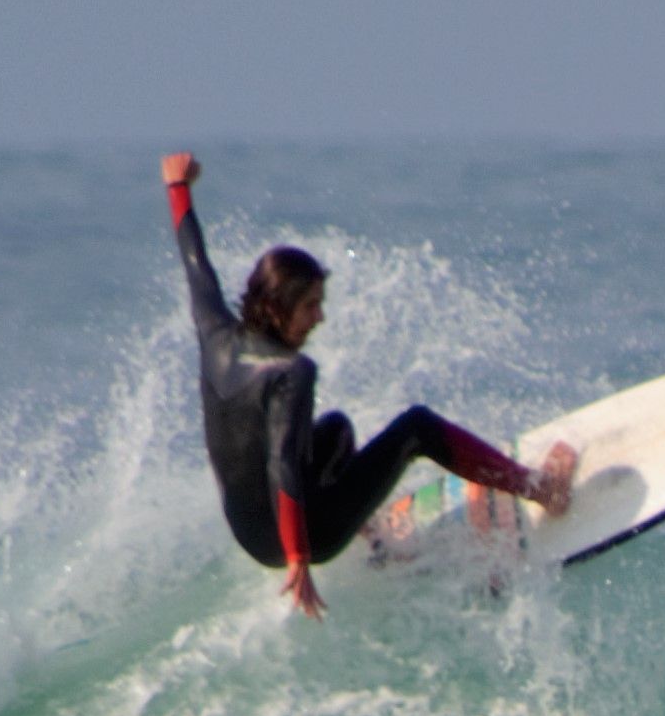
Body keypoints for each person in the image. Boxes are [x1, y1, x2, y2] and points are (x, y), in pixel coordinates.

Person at [162, 152, 574, 618]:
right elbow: (283, 466)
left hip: (249, 533)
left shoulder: (216, 335)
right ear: (277, 308)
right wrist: (300, 559)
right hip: (303, 538)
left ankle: (372, 535)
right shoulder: (291, 374)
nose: (320, 317)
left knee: (335, 431)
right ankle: (542, 489)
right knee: (417, 428)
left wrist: (178, 189)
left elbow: (197, 268)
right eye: (310, 307)